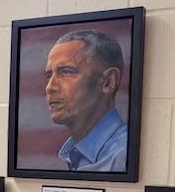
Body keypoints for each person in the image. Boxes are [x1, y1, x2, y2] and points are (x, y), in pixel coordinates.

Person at [45, 29, 127, 172]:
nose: (50, 87)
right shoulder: (76, 153)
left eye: (66, 72)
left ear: (108, 82)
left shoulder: (123, 155)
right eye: (49, 75)